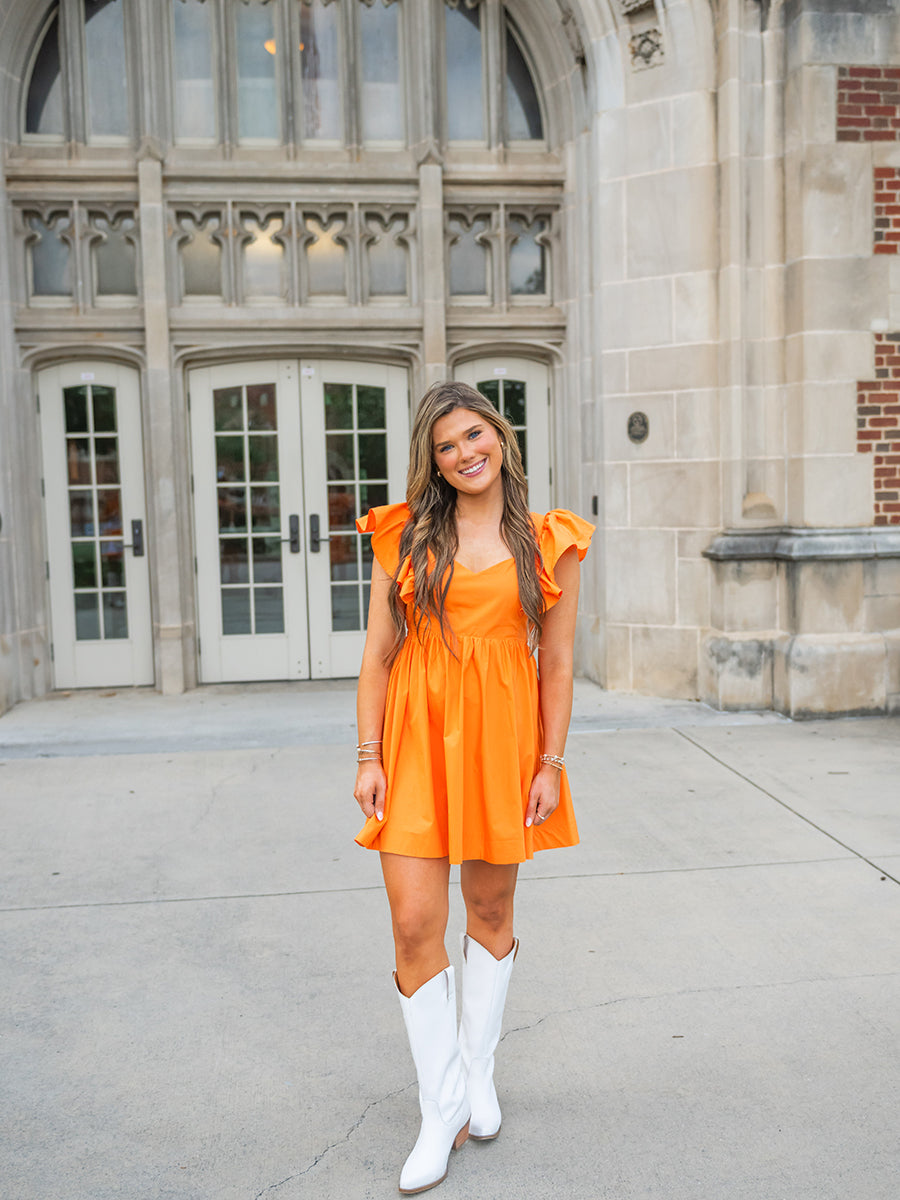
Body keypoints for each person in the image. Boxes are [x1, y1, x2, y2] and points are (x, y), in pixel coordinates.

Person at [353, 380, 593, 1195]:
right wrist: (368, 755)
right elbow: (377, 656)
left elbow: (557, 664)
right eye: (446, 446)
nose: (464, 453)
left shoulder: (549, 541)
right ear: (434, 462)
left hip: (501, 745)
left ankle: (476, 1073)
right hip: (415, 743)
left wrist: (550, 763)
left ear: (500, 436)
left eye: (474, 435)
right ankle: (440, 1107)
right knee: (413, 922)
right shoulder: (405, 537)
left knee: (489, 912)